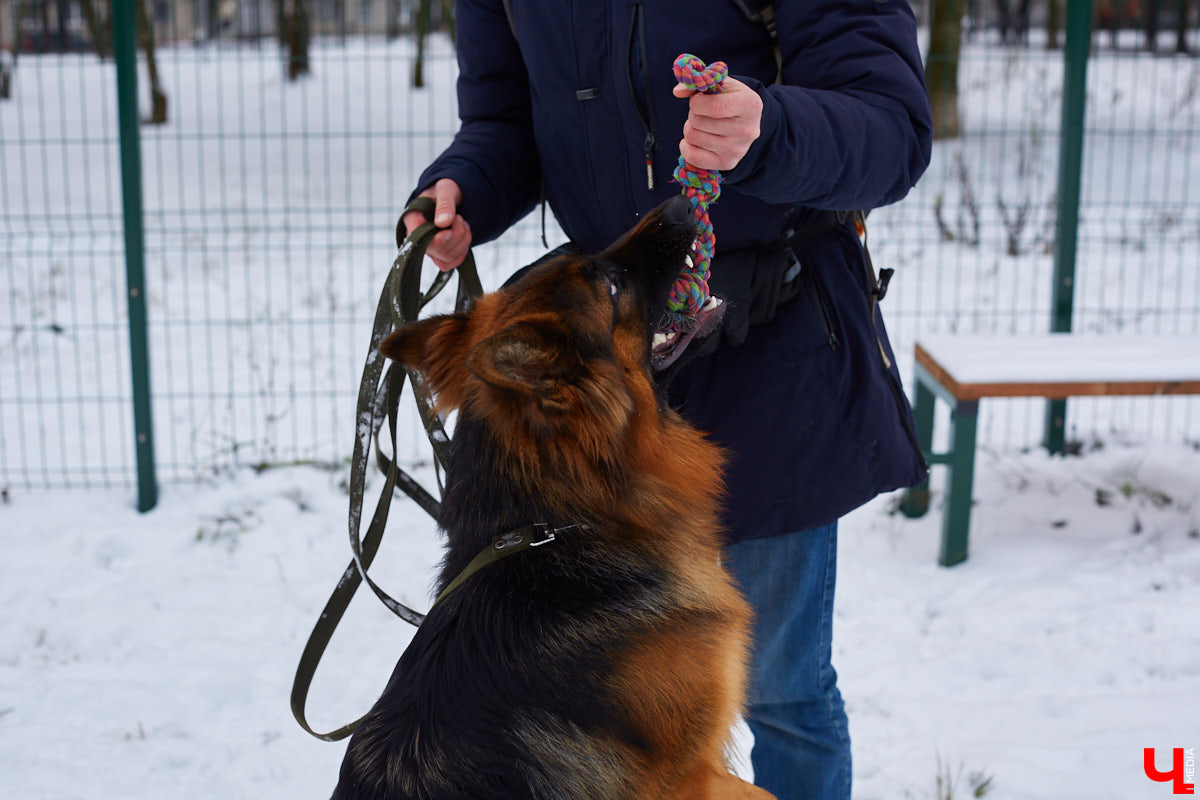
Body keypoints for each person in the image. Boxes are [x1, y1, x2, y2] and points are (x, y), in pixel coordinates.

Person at [400, 2, 932, 797]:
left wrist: (769, 130)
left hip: (771, 354)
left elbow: (892, 128)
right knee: (623, 718)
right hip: (602, 384)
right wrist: (461, 187)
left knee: (782, 691)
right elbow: (508, 120)